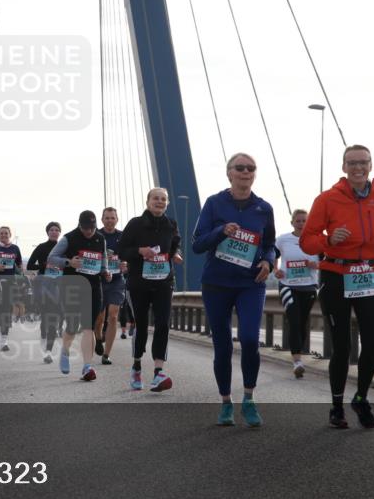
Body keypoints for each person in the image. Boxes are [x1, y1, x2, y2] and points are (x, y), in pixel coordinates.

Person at [300, 144, 374, 429]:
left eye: (363, 162)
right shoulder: (327, 199)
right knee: (342, 347)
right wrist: (328, 241)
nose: (358, 167)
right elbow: (307, 240)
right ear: (343, 167)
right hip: (335, 276)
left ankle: (361, 398)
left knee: (371, 344)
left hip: (368, 275)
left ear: (371, 165)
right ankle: (336, 406)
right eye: (352, 163)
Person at [193, 153, 275, 428]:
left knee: (250, 339)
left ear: (255, 174)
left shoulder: (264, 208)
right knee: (223, 346)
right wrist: (220, 232)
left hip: (250, 284)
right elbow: (197, 244)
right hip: (216, 284)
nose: (245, 172)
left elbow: (270, 244)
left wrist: (268, 261)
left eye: (250, 168)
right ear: (229, 173)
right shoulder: (214, 203)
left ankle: (249, 399)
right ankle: (226, 402)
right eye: (239, 168)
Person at [117, 189, 182, 392]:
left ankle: (158, 372)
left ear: (167, 203)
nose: (159, 202)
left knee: (163, 324)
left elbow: (174, 244)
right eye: (156, 198)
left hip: (164, 282)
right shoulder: (136, 223)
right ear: (147, 201)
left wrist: (175, 255)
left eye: (163, 199)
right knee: (142, 326)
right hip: (139, 283)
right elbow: (121, 250)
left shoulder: (171, 224)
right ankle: (136, 365)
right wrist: (139, 251)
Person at [48, 211, 110, 381]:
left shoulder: (100, 238)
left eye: (92, 228)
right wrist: (69, 262)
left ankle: (87, 366)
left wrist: (105, 271)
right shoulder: (69, 238)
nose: (89, 232)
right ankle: (65, 352)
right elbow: (51, 258)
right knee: (73, 325)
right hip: (72, 287)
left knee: (89, 327)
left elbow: (103, 258)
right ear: (79, 225)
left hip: (94, 287)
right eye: (85, 228)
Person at [274, 209, 320, 379]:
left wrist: (314, 265)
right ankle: (297, 362)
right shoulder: (283, 239)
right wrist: (276, 269)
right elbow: (273, 254)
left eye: (304, 221)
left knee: (302, 323)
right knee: (293, 319)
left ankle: (298, 355)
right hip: (288, 285)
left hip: (309, 286)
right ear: (292, 222)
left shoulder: (316, 240)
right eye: (298, 221)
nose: (301, 224)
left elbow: (326, 262)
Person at [26, 222, 63, 363]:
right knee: (46, 317)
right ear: (47, 232)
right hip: (43, 286)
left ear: (60, 232)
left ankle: (48, 351)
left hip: (59, 286)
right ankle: (44, 342)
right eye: (51, 230)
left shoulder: (64, 248)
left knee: (54, 318)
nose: (54, 232)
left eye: (57, 230)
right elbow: (30, 265)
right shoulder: (41, 248)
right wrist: (44, 265)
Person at [94, 207, 126, 365]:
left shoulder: (123, 237)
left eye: (112, 218)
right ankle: (98, 339)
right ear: (102, 220)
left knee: (113, 315)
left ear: (117, 219)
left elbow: (129, 255)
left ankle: (107, 354)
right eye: (106, 218)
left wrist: (126, 263)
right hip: (99, 281)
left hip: (117, 281)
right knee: (99, 318)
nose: (109, 220)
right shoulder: (96, 236)